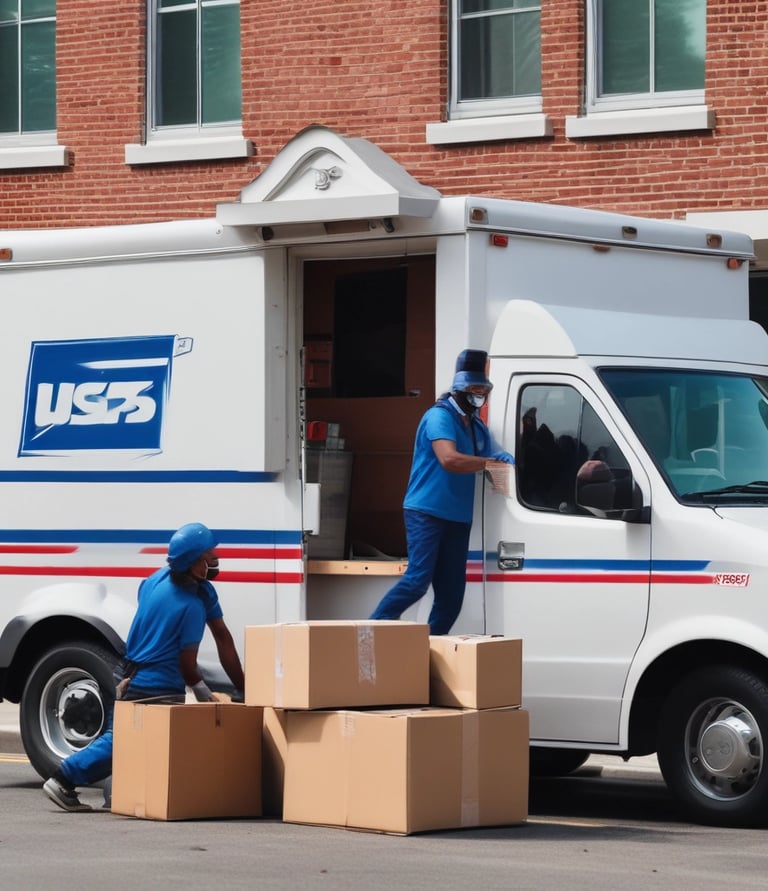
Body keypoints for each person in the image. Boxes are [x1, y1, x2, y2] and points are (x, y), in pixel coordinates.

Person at [42, 522, 245, 812]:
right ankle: (64, 778)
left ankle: (115, 794)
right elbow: (188, 667)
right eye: (209, 557)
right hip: (153, 684)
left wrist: (243, 685)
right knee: (124, 740)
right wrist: (205, 695)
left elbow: (223, 637)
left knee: (132, 741)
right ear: (194, 564)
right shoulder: (191, 606)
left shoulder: (159, 580)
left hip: (127, 671)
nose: (215, 560)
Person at [369, 349, 514, 634]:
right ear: (460, 389)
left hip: (458, 517)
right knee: (417, 581)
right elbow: (449, 459)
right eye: (475, 390)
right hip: (427, 511)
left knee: (451, 596)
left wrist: (506, 461)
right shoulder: (439, 416)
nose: (480, 395)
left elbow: (494, 456)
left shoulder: (475, 426)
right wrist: (489, 462)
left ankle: (427, 651)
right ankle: (371, 634)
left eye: (483, 390)